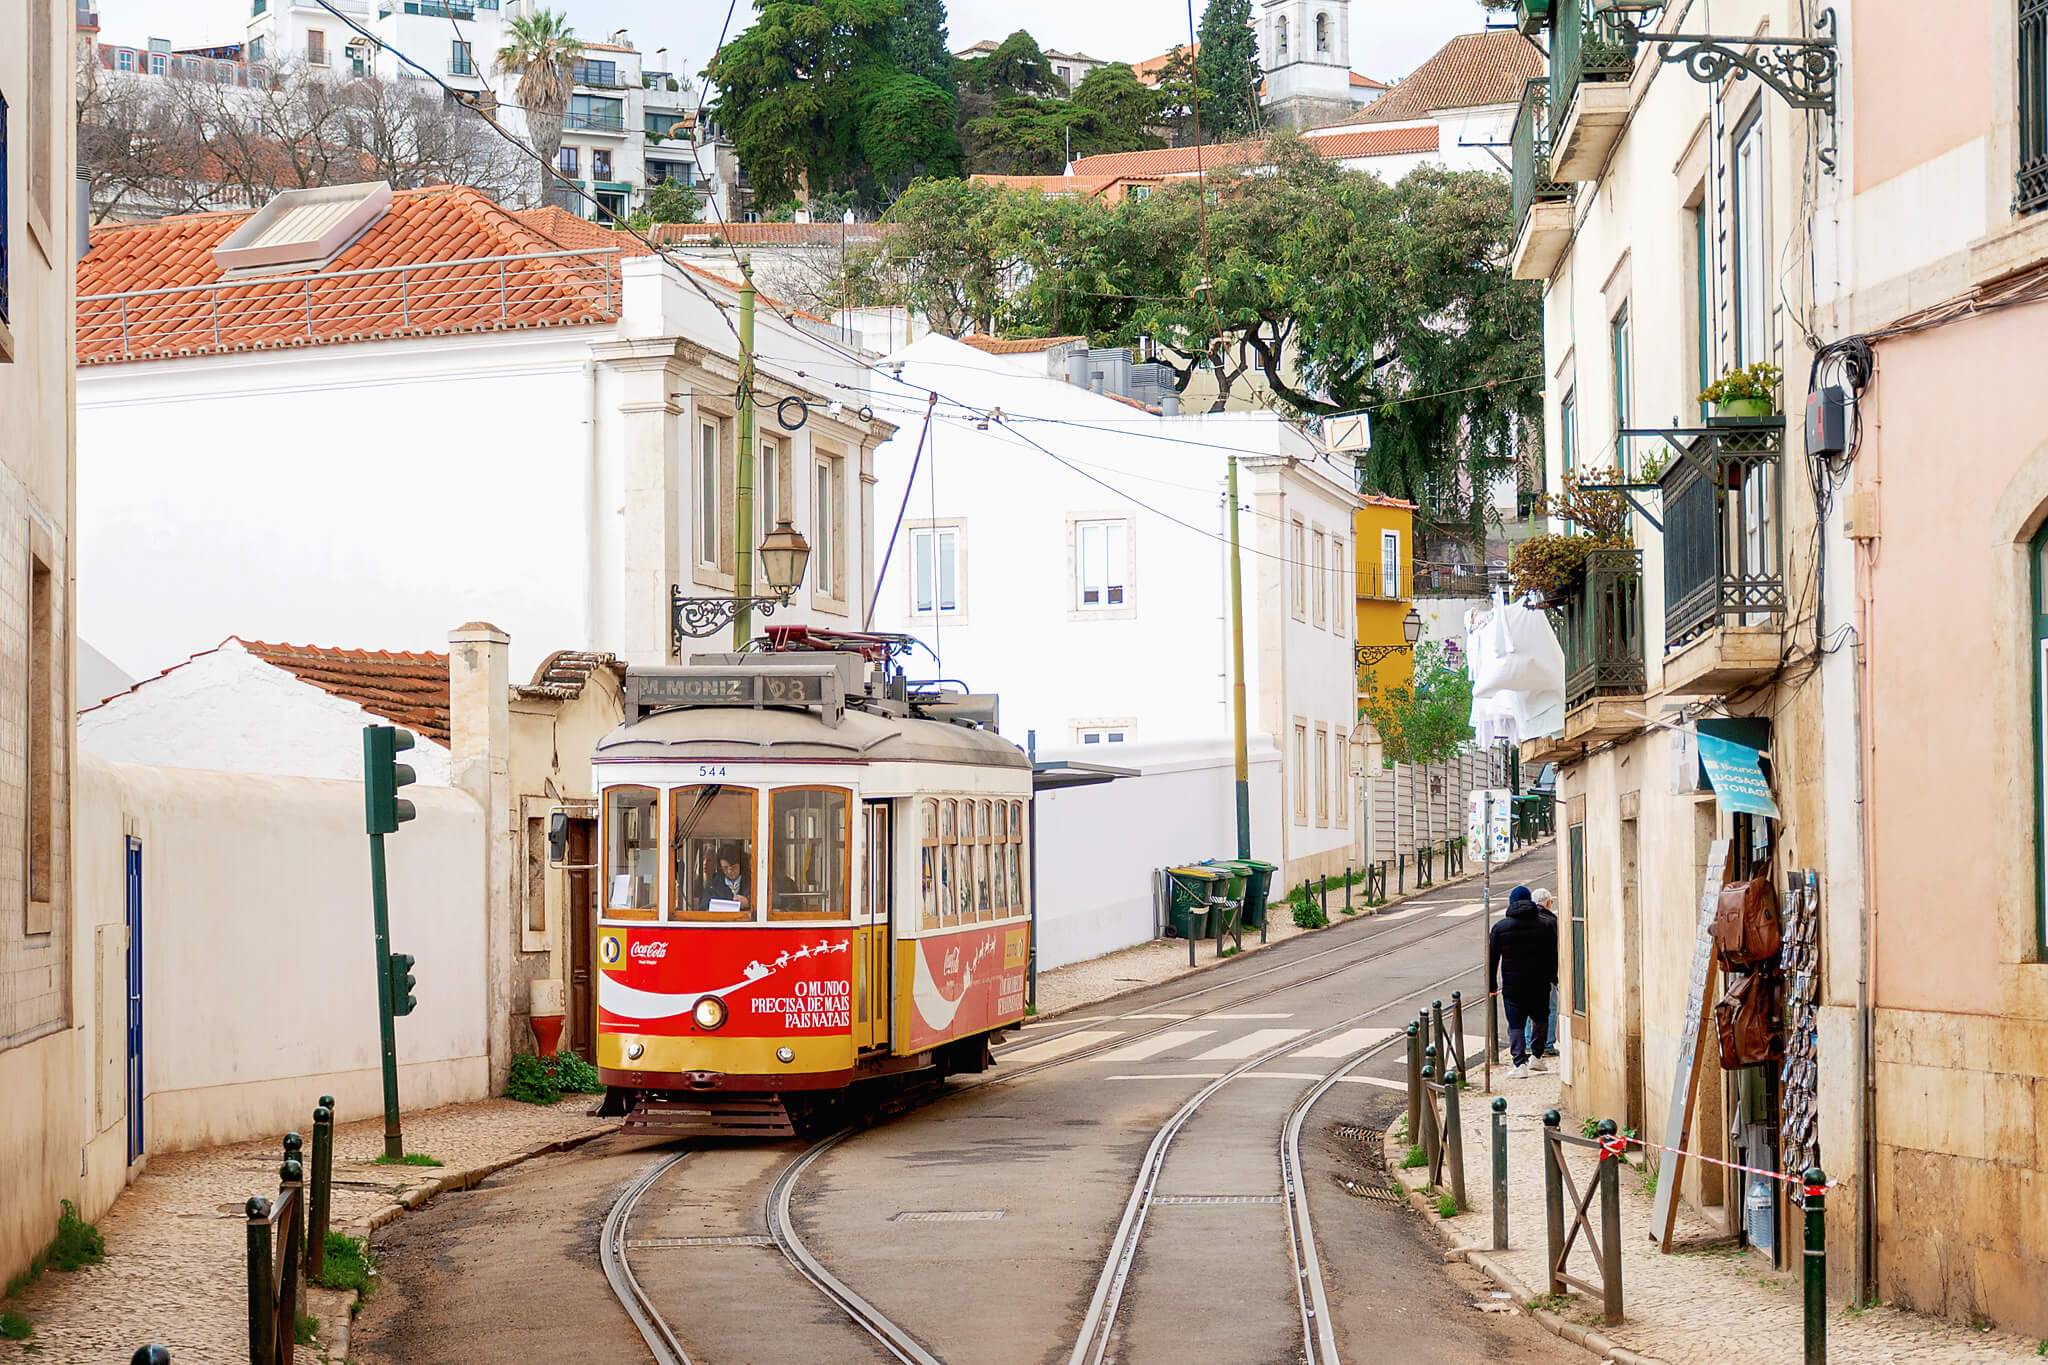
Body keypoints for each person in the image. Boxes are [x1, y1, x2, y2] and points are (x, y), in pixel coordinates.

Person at [1488, 884, 1558, 1078]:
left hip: (1513, 986)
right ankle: (1537, 1056)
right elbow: (1553, 955)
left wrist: (1492, 986)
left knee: (1516, 1024)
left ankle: (1520, 1064)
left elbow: (1492, 959)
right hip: (1539, 983)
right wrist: (1553, 977)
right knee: (1541, 1019)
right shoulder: (1544, 925)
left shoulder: (1500, 927)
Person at [1533, 888, 1561, 1058]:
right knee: (1550, 1008)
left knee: (1530, 1009)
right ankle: (1548, 1044)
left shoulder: (1525, 920)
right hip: (1546, 973)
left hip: (1527, 974)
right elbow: (1554, 950)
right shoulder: (1551, 920)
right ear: (1548, 903)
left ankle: (1530, 1043)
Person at [699, 843, 751, 912]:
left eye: (733, 867)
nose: (729, 871)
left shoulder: (752, 883)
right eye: (725, 868)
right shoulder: (712, 886)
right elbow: (703, 911)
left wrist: (748, 902)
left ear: (741, 864)